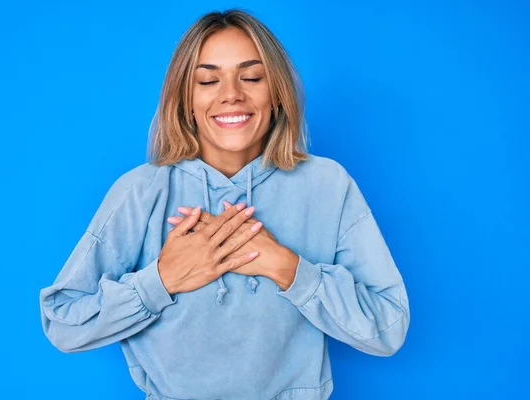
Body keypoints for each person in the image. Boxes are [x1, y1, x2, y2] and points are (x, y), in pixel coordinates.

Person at [39, 8, 410, 400]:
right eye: (208, 79)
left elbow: (389, 327)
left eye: (251, 77)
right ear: (186, 100)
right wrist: (162, 280)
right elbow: (64, 322)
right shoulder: (141, 191)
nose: (231, 94)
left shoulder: (328, 185)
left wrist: (286, 267)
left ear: (277, 95)